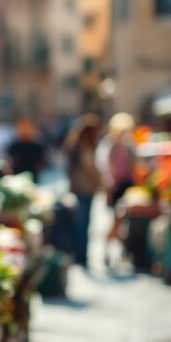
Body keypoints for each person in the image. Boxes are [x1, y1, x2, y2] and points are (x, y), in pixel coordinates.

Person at [98, 112, 136, 266]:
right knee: (116, 220)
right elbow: (105, 168)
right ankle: (109, 249)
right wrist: (107, 188)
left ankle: (120, 249)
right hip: (115, 186)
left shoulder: (128, 145)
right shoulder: (109, 145)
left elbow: (132, 165)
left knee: (121, 221)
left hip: (126, 184)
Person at [64, 114, 103, 267]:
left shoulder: (74, 145)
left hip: (79, 188)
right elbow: (90, 168)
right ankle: (81, 255)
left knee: (81, 221)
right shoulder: (84, 147)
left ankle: (79, 253)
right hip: (86, 188)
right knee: (84, 222)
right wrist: (100, 182)